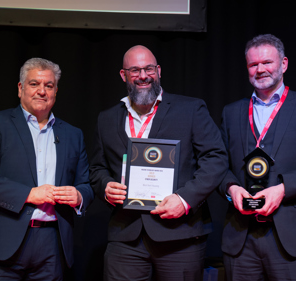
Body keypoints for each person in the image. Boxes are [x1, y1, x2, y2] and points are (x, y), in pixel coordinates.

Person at [89, 45, 228, 281]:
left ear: (159, 71)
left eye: (149, 69)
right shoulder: (107, 118)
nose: (143, 76)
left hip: (180, 235)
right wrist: (105, 187)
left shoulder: (191, 109)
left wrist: (184, 200)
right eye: (135, 70)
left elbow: (216, 158)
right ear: (124, 75)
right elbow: (97, 168)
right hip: (125, 235)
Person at [0, 58, 94, 280]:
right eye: (34, 84)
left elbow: (86, 184)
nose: (42, 91)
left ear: (56, 91)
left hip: (52, 243)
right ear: (20, 88)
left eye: (48, 86)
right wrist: (28, 194)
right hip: (3, 239)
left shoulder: (73, 134)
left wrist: (78, 196)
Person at [219, 34, 296, 280]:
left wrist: (283, 189)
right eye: (253, 65)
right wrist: (231, 188)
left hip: (294, 240)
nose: (260, 69)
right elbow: (218, 165)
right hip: (241, 240)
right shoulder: (231, 112)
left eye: (267, 62)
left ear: (283, 64)